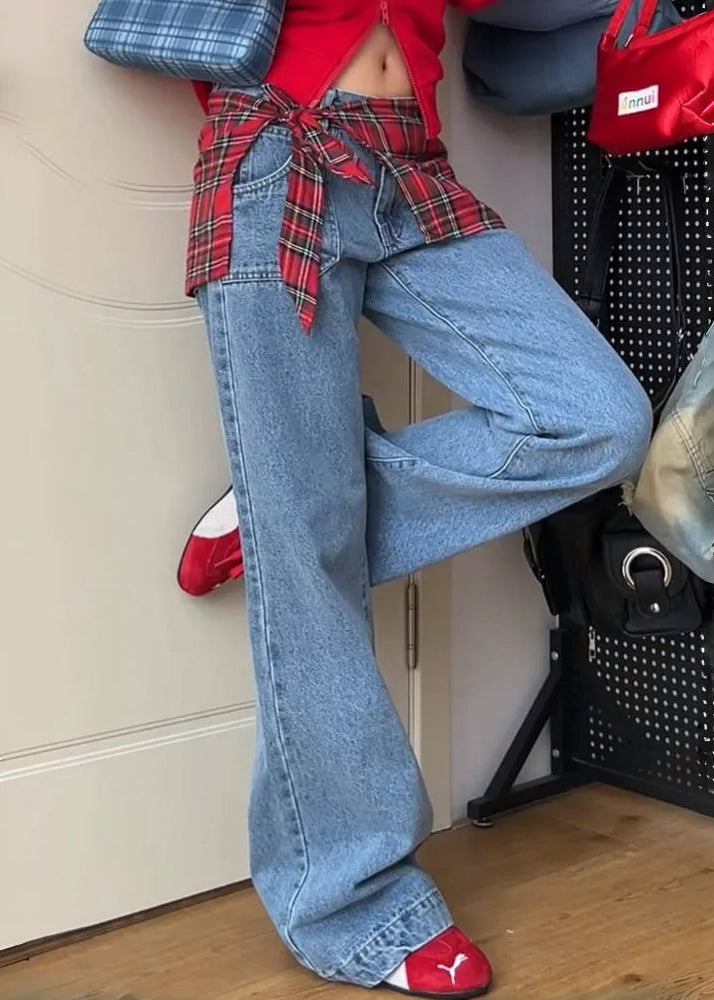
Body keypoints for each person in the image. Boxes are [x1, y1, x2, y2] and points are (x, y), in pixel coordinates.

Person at [186, 1, 653, 996]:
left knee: (597, 419)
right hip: (276, 153)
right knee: (309, 557)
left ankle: (281, 508)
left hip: (412, 168)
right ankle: (354, 903)